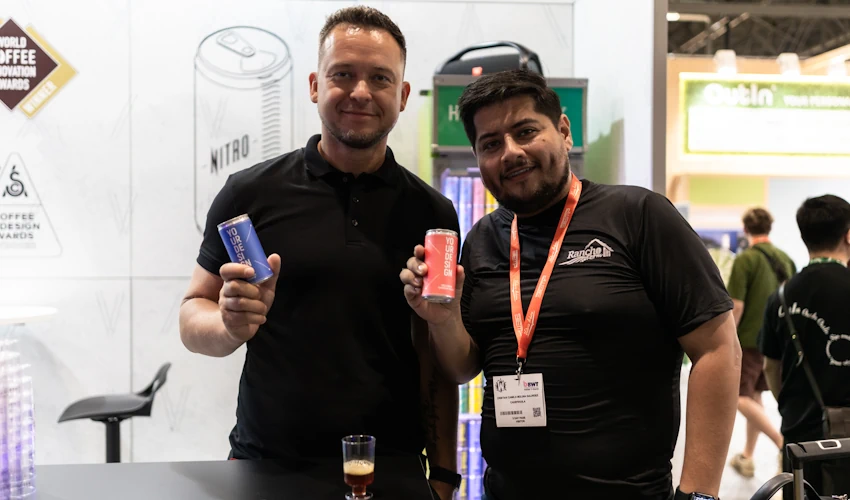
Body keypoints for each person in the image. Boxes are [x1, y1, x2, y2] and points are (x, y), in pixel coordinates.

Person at [399, 69, 741, 500]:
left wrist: (699, 494)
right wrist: (443, 318)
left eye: (526, 131)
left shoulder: (639, 216)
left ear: (564, 131)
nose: (511, 153)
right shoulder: (483, 238)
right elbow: (463, 366)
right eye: (490, 144)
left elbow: (718, 349)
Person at [179, 7, 461, 499]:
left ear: (402, 95)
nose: (360, 92)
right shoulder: (249, 193)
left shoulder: (432, 212)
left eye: (379, 78)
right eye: (343, 74)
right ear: (314, 84)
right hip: (266, 462)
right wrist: (227, 325)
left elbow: (433, 354)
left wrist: (442, 471)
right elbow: (191, 313)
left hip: (389, 466)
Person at [760, 195, 850, 496]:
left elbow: (770, 367)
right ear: (848, 234)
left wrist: (793, 404)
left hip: (801, 434)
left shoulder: (781, 296)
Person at [726, 208, 794, 477]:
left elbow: (737, 307)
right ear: (770, 228)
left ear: (745, 229)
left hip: (749, 342)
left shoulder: (746, 261)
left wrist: (728, 340)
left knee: (738, 398)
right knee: (754, 396)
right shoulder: (786, 259)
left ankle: (782, 444)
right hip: (777, 342)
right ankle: (747, 457)